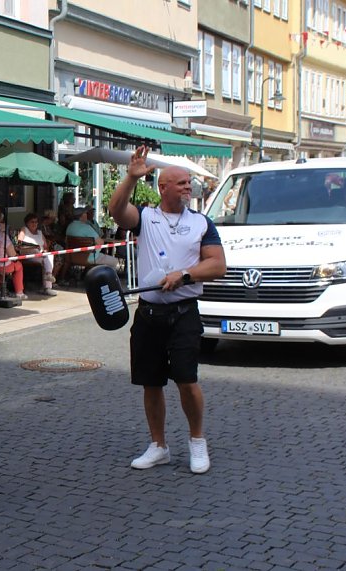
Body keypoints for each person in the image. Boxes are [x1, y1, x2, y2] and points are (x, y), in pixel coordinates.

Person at [108, 146, 226, 475]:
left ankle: (197, 441)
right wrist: (131, 178)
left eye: (189, 183)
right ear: (163, 187)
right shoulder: (146, 217)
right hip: (149, 314)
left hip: (184, 312)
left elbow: (217, 265)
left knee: (187, 381)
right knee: (151, 382)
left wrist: (185, 275)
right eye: (182, 183)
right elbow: (116, 211)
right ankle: (158, 445)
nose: (189, 187)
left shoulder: (202, 223)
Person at [17, 213, 57, 296]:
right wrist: (33, 247)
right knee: (39, 252)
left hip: (40, 255)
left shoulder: (39, 233)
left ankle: (48, 283)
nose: (34, 224)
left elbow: (45, 247)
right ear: (27, 223)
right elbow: (20, 242)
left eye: (36, 222)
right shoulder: (24, 230)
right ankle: (48, 283)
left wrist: (45, 251)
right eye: (32, 222)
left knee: (49, 255)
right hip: (28, 253)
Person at [0, 209, 26, 300]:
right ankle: (19, 292)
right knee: (18, 265)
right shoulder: (3, 237)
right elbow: (13, 255)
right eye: (3, 222)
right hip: (2, 266)